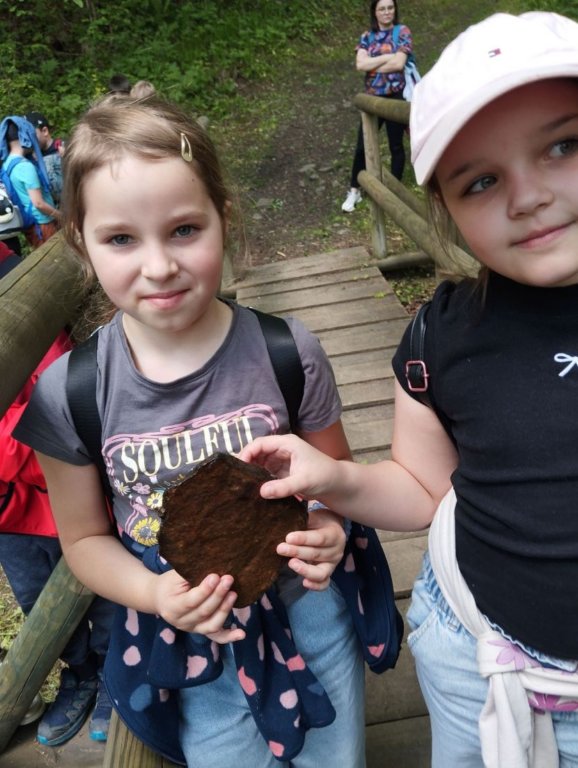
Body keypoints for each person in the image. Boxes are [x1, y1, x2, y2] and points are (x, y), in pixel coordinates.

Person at [242, 11, 578, 767]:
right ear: (446, 210)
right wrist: (334, 478)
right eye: (481, 181)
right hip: (481, 661)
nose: (527, 196)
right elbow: (424, 489)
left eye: (564, 145)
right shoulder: (442, 334)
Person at [14, 95, 370, 767]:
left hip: (306, 611)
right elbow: (83, 541)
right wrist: (154, 595)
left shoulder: (286, 352)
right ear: (80, 243)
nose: (158, 266)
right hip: (187, 636)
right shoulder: (72, 393)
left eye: (183, 229)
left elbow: (336, 481)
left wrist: (329, 523)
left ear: (223, 220)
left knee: (334, 755)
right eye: (122, 239)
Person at [0, 242, 115, 746]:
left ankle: (112, 672)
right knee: (35, 598)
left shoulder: (22, 297)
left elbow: (57, 410)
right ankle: (81, 671)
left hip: (63, 493)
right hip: (11, 516)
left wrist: (17, 456)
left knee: (102, 592)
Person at [341, 0, 412, 213]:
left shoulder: (402, 32)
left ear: (395, 10)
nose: (387, 12)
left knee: (396, 145)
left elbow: (399, 64)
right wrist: (388, 57)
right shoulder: (367, 36)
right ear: (375, 12)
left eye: (390, 7)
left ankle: (394, 191)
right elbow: (360, 64)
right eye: (382, 8)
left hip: (396, 96)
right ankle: (355, 190)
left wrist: (373, 65)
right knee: (362, 146)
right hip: (371, 100)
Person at [0, 116, 59, 248]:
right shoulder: (25, 167)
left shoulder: (8, 163)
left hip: (31, 225)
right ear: (25, 136)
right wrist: (61, 216)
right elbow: (39, 203)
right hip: (43, 224)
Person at [26, 112, 65, 204]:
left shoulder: (64, 148)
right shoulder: (29, 158)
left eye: (31, 134)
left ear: (45, 131)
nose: (28, 139)